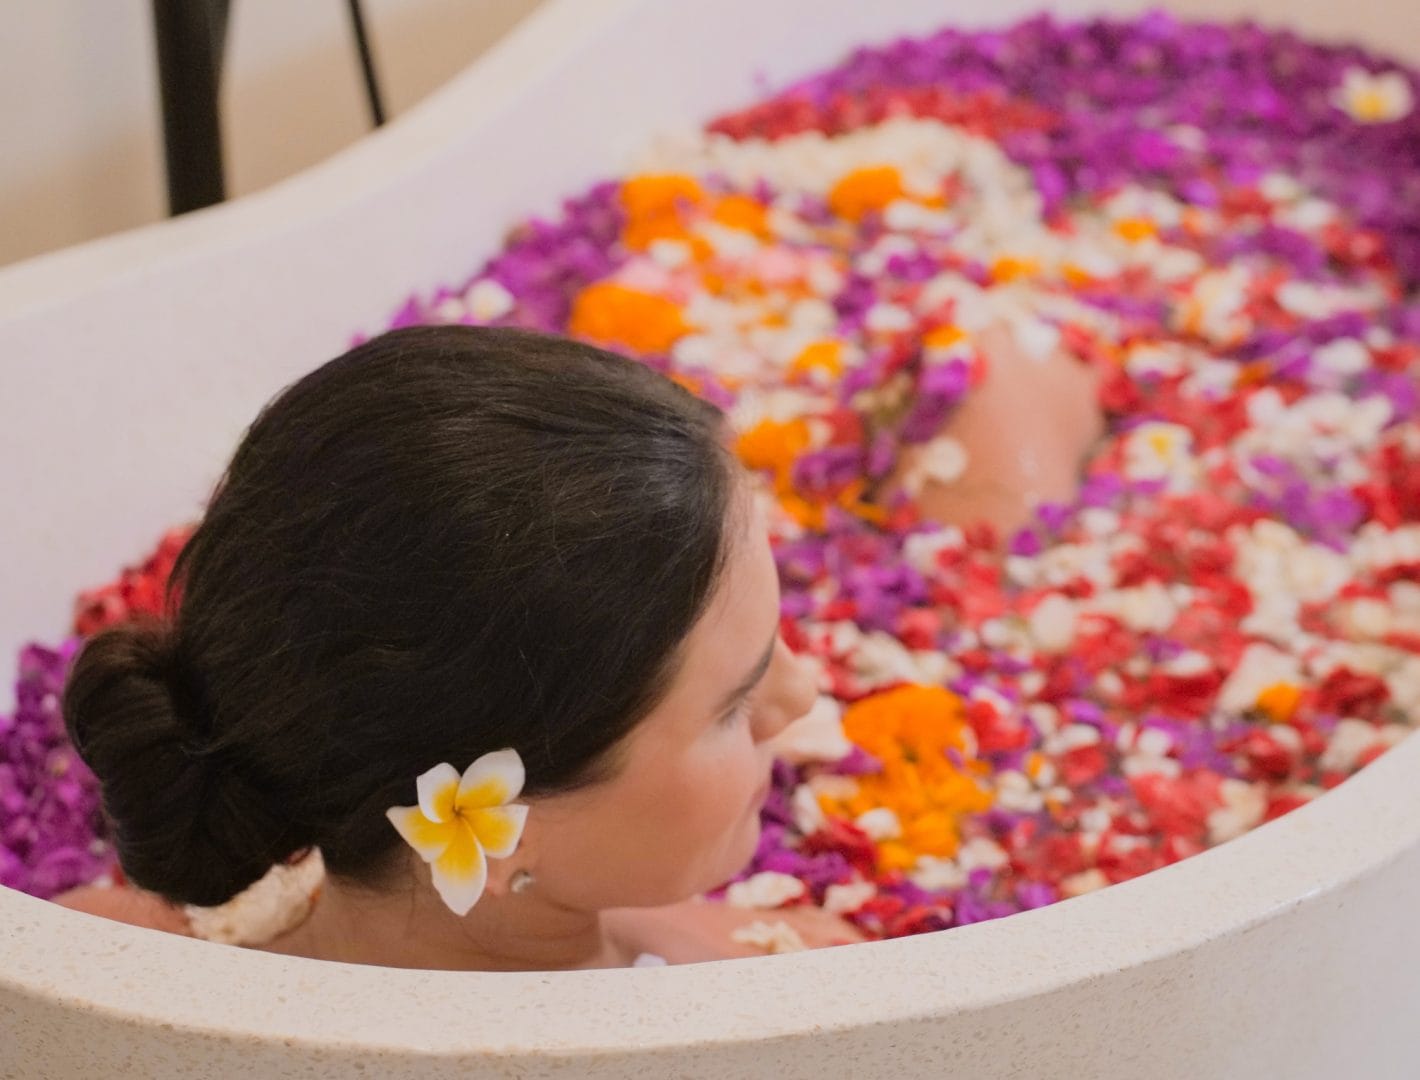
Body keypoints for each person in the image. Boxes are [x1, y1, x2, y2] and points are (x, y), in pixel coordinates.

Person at [54, 322, 1103, 967]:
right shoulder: (769, 993)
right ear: (497, 829)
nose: (805, 694)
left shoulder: (99, 949)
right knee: (998, 365)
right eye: (734, 703)